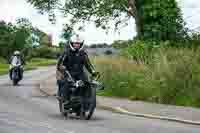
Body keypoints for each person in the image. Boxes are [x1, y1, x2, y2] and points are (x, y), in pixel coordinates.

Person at [56, 34, 99, 100]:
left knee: (87, 83)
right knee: (66, 83)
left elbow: (88, 64)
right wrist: (62, 68)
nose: (77, 45)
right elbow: (60, 63)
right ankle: (64, 99)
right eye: (75, 43)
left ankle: (87, 100)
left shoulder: (83, 53)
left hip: (80, 73)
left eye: (79, 43)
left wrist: (93, 71)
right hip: (68, 72)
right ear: (72, 43)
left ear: (81, 44)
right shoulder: (66, 52)